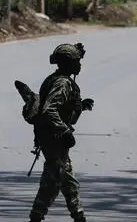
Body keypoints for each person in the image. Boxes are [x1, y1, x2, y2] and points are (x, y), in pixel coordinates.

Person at [29, 43, 94, 222]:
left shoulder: (57, 79)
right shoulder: (62, 83)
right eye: (76, 61)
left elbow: (64, 110)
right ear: (67, 63)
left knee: (67, 182)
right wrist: (64, 131)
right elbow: (49, 110)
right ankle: (36, 216)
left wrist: (81, 106)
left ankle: (78, 216)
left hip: (53, 138)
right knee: (52, 181)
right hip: (54, 139)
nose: (79, 65)